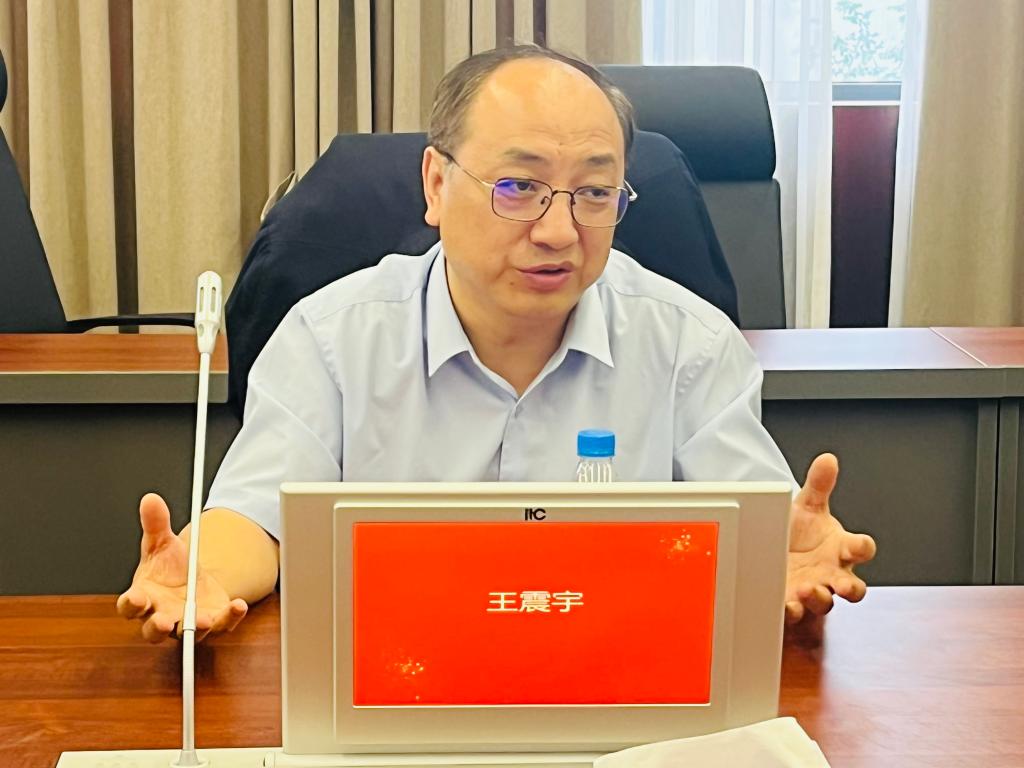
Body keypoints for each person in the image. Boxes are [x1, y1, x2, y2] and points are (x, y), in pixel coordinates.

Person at [117, 45, 876, 644]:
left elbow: (757, 530)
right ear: (436, 184)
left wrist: (781, 558)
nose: (558, 230)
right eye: (518, 188)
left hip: (616, 684)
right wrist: (205, 572)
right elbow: (257, 519)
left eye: (595, 192)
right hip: (399, 685)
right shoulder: (332, 337)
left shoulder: (690, 344)